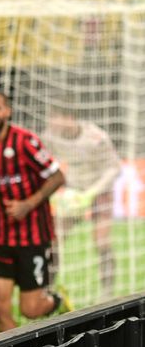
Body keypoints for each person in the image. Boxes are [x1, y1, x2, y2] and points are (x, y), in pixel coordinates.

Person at [0, 91, 70, 332]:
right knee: (1, 308)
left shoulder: (26, 141)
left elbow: (58, 176)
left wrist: (28, 203)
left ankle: (56, 301)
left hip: (33, 237)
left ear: (8, 112)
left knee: (30, 310)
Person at [43, 104, 121, 299]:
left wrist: (91, 194)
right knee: (53, 241)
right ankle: (47, 290)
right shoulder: (49, 136)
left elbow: (114, 169)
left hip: (100, 190)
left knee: (101, 242)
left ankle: (107, 292)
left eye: (55, 117)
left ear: (70, 117)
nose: (51, 122)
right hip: (73, 193)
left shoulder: (96, 137)